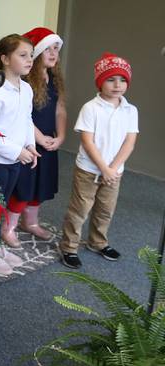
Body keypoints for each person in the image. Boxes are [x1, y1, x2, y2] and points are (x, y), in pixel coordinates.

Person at [59, 53, 137, 269]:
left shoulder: (131, 110)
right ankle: (69, 247)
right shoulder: (90, 108)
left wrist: (112, 169)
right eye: (111, 79)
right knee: (80, 209)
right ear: (100, 81)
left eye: (122, 80)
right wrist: (103, 167)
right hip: (89, 170)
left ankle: (98, 242)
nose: (117, 85)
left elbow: (129, 143)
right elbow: (87, 141)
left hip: (115, 172)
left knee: (105, 209)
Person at [0, 34, 39, 276]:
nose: (29, 60)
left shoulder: (26, 88)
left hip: (16, 159)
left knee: (1, 206)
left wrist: (30, 145)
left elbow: (26, 119)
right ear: (4, 58)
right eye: (23, 55)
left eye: (31, 55)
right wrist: (16, 150)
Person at [7, 27, 66, 242]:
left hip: (48, 140)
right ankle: (8, 227)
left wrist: (60, 136)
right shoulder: (26, 82)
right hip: (29, 141)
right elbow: (22, 116)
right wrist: (39, 137)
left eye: (56, 49)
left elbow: (60, 109)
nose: (53, 53)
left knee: (41, 185)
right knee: (24, 187)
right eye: (47, 49)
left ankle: (30, 222)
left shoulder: (54, 78)